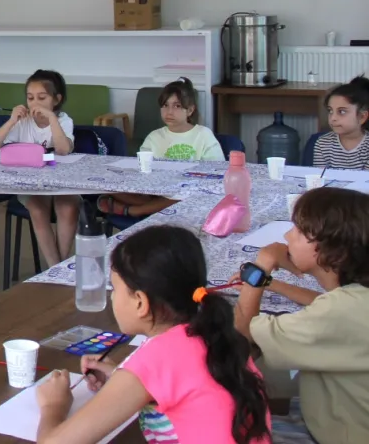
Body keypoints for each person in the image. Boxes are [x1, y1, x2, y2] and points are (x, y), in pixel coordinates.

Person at [36, 225, 270, 444]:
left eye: (115, 289)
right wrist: (122, 381)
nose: (112, 297)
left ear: (140, 302)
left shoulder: (157, 358)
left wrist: (53, 406)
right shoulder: (217, 335)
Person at [234, 188, 369, 444]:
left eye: (299, 230)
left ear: (334, 252)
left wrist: (260, 267)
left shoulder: (336, 312)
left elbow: (243, 333)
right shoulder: (355, 300)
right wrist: (273, 284)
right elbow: (333, 304)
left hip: (337, 433)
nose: (287, 236)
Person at [0, 70, 79, 266]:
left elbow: (63, 149)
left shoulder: (63, 120)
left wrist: (52, 119)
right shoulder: (24, 121)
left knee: (69, 207)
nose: (35, 103)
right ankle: (55, 268)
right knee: (37, 210)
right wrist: (12, 120)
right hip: (30, 185)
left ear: (57, 99)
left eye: (42, 98)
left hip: (63, 183)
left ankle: (59, 267)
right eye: (30, 98)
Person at [100, 78, 224, 219]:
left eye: (177, 106)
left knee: (187, 195)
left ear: (190, 110)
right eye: (165, 105)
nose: (169, 112)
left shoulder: (203, 135)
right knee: (106, 183)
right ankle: (151, 207)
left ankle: (135, 210)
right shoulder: (154, 136)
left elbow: (216, 171)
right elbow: (142, 169)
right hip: (157, 191)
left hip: (188, 191)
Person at [313, 76, 369, 170]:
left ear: (362, 117)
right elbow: (320, 176)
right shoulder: (322, 143)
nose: (333, 118)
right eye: (330, 111)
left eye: (342, 112)